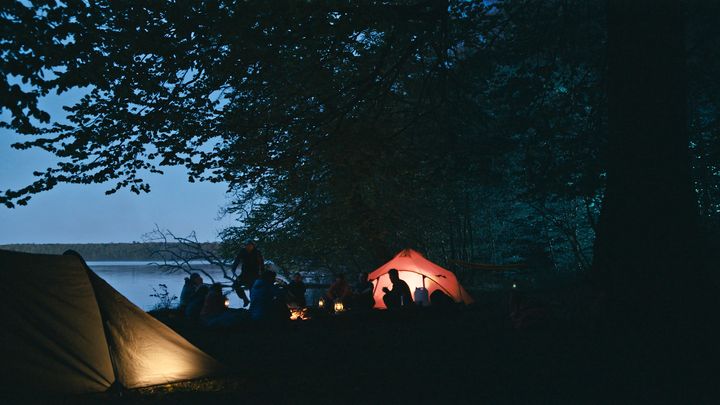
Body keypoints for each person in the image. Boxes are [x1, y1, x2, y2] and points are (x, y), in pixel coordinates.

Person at [231, 241, 265, 307]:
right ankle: (245, 299)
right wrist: (233, 269)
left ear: (253, 246)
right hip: (244, 274)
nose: (248, 247)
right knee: (235, 285)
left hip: (254, 274)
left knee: (252, 290)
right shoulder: (243, 251)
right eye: (247, 245)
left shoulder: (257, 252)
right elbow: (237, 260)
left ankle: (253, 306)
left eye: (250, 245)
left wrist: (262, 274)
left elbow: (261, 263)